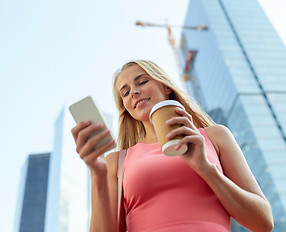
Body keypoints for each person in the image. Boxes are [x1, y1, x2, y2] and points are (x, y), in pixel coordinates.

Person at [71, 60, 274, 232]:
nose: (133, 92)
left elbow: (263, 222)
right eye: (125, 93)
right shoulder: (115, 162)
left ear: (166, 86)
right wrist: (97, 174)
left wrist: (205, 168)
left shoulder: (215, 136)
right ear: (126, 108)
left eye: (142, 81)